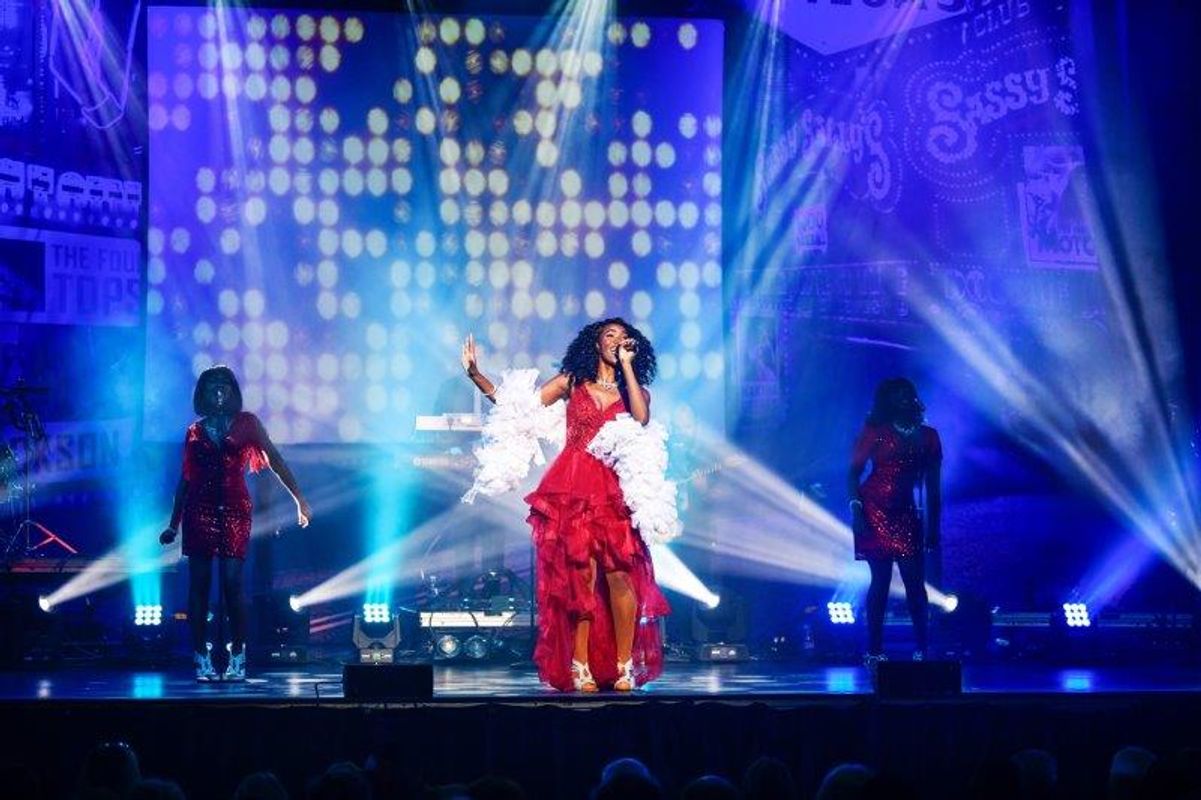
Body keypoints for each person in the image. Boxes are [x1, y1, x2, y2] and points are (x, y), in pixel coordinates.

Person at [462, 319, 671, 692]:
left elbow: (641, 418)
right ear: (595, 343)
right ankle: (580, 664)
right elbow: (520, 409)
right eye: (610, 335)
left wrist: (626, 366)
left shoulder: (634, 390)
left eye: (625, 338)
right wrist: (478, 378)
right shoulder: (573, 382)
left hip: (616, 491)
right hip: (574, 487)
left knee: (621, 576)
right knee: (582, 579)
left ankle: (625, 664)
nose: (618, 341)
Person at [160, 366, 311, 682]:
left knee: (232, 583)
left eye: (224, 384)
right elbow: (185, 481)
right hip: (199, 510)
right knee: (199, 587)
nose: (218, 388)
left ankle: (237, 654)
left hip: (234, 509)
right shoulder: (194, 431)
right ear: (202, 391)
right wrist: (173, 525)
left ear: (233, 390)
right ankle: (200, 655)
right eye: (212, 384)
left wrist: (300, 499)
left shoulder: (247, 424)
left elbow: (275, 460)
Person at [847, 378, 941, 665]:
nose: (903, 400)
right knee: (881, 581)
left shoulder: (929, 437)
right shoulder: (874, 432)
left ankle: (922, 649)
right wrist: (857, 512)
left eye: (907, 394)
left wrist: (933, 527)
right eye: (897, 396)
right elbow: (853, 474)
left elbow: (934, 487)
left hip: (906, 513)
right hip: (873, 510)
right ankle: (874, 650)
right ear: (887, 401)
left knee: (915, 585)